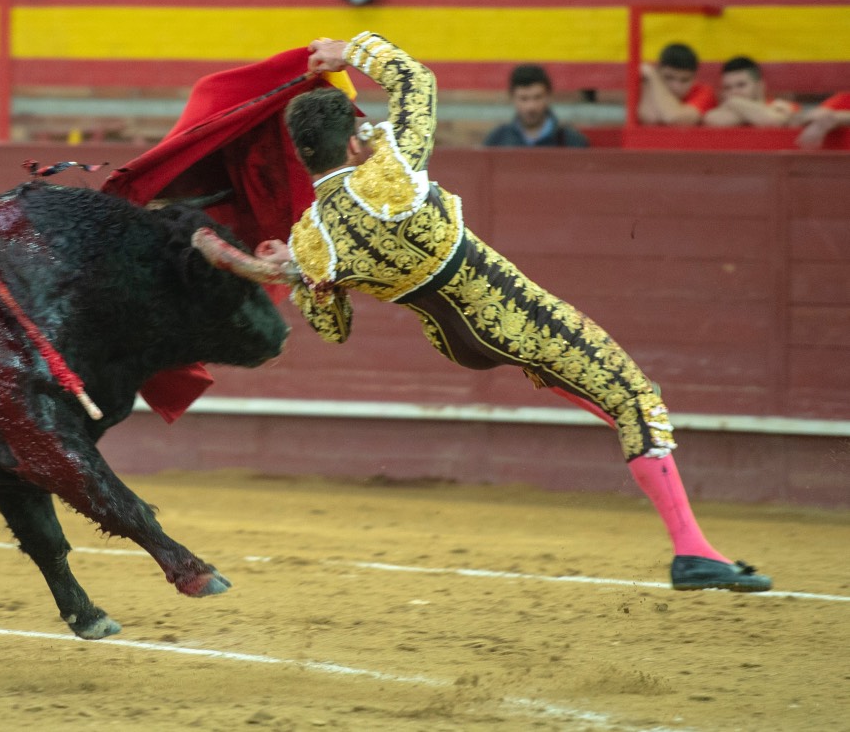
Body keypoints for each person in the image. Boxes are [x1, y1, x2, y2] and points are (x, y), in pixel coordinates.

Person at [221, 31, 772, 593]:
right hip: (513, 315)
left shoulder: (311, 238)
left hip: (456, 343)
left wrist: (296, 274)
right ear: (354, 144)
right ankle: (692, 552)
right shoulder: (388, 173)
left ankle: (650, 464)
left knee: (602, 392)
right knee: (636, 399)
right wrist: (351, 51)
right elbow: (416, 80)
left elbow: (334, 329)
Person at [484, 64, 590, 148]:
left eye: (537, 97)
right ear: (512, 98)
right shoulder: (497, 140)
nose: (531, 107)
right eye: (523, 98)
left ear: (548, 96)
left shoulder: (571, 141)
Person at [703, 56, 799, 128]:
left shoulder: (787, 107)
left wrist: (734, 102)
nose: (734, 92)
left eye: (741, 85)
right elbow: (711, 119)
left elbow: (777, 121)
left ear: (759, 85)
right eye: (727, 88)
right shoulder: (777, 109)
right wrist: (735, 102)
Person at [638, 42, 717, 126]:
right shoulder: (648, 85)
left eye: (685, 80)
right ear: (659, 71)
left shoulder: (704, 92)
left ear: (694, 78)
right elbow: (650, 117)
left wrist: (653, 76)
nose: (676, 87)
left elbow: (677, 119)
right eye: (669, 78)